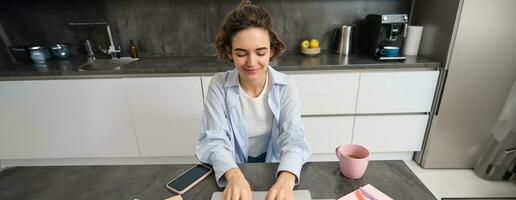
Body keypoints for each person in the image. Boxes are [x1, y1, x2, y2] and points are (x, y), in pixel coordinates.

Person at [195, 1, 310, 200]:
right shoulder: (218, 85)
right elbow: (215, 140)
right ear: (230, 52)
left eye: (260, 52)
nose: (251, 63)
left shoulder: (286, 86)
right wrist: (233, 175)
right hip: (233, 165)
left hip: (273, 167)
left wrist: (286, 179)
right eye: (241, 53)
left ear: (272, 50)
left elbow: (294, 139)